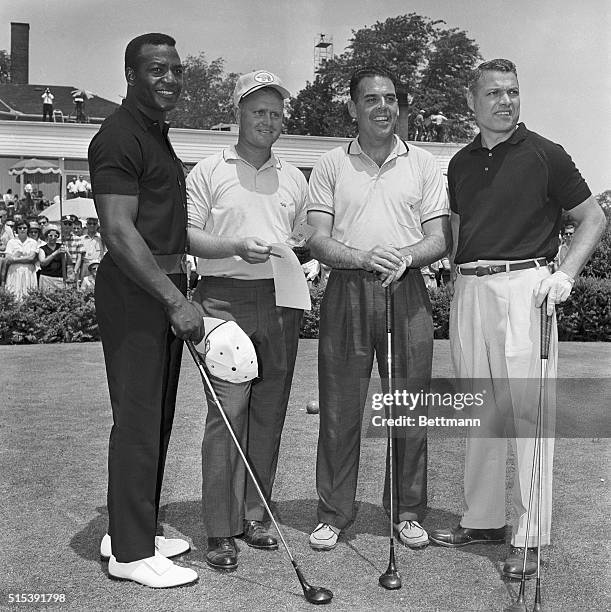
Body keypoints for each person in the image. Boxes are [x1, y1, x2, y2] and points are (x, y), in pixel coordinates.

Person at [428, 59, 606, 579]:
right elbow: (461, 228)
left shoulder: (545, 154)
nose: (505, 102)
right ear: (471, 101)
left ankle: (529, 536)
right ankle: (482, 519)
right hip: (470, 290)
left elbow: (593, 216)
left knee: (528, 418)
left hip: (527, 289)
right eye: (494, 94)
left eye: (512, 92)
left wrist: (566, 273)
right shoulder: (459, 163)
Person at [306, 66, 451, 551]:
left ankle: (407, 510)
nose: (383, 107)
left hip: (406, 290)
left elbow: (439, 239)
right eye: (371, 99)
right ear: (353, 107)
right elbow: (318, 240)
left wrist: (406, 257)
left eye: (390, 98)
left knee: (408, 407)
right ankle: (333, 512)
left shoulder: (425, 164)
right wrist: (364, 257)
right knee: (340, 408)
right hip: (347, 289)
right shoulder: (329, 163)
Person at [88, 32, 204, 588]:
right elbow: (117, 230)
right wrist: (173, 298)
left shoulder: (154, 133)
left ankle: (131, 528)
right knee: (136, 421)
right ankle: (130, 555)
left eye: (176, 70)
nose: (171, 79)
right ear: (131, 74)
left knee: (155, 417)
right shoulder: (118, 135)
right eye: (158, 70)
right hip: (138, 291)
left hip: (158, 283)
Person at [186, 69, 307, 572]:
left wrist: (290, 252)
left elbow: (301, 236)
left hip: (280, 297)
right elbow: (188, 238)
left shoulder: (295, 177)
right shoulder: (207, 171)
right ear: (237, 113)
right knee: (227, 416)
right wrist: (236, 245)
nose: (269, 121)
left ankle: (255, 515)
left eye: (276, 113)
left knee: (269, 413)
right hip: (222, 298)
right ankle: (219, 528)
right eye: (259, 111)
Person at [4, 219, 39, 300]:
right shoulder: (11, 242)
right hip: (14, 271)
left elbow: (31, 258)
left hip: (28, 271)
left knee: (28, 294)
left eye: (24, 228)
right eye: (20, 228)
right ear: (17, 229)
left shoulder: (33, 242)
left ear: (28, 229)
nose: (22, 230)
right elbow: (7, 258)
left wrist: (15, 258)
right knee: (14, 294)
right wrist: (24, 258)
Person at [38, 223, 66, 293]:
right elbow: (43, 262)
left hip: (59, 278)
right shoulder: (42, 249)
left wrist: (66, 253)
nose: (53, 238)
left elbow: (68, 262)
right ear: (46, 236)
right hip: (46, 278)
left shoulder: (61, 246)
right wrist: (56, 253)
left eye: (55, 236)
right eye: (50, 235)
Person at [59, 215, 84, 286]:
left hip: (72, 267)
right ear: (61, 224)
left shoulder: (78, 239)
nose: (67, 226)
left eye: (70, 224)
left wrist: (75, 270)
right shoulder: (57, 239)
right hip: (59, 268)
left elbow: (79, 258)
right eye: (65, 224)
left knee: (72, 289)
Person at [0, 208, 15, 286]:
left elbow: (12, 243)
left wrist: (5, 246)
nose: (2, 218)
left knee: (4, 280)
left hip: (4, 257)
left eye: (3, 216)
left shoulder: (8, 229)